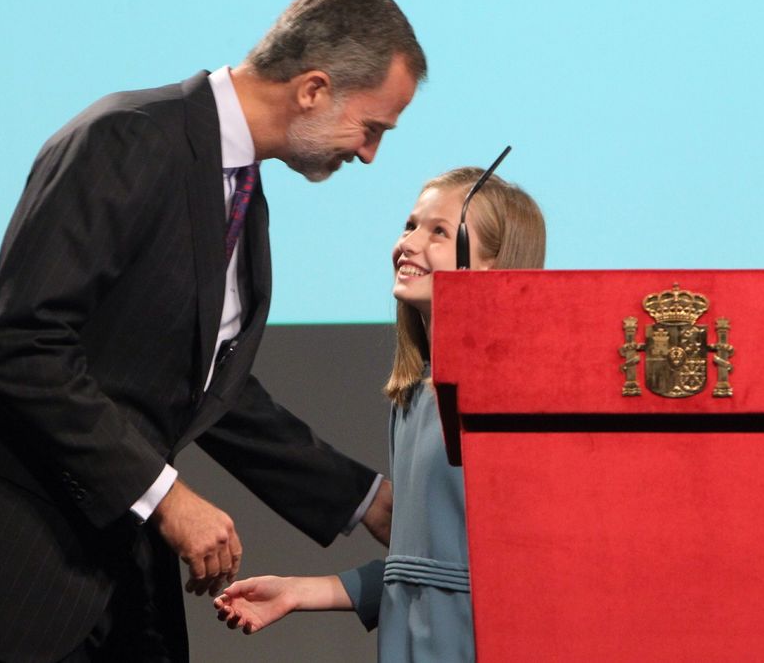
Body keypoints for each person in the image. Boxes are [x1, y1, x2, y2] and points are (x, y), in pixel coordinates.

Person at [0, 0, 427, 663]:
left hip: (111, 549)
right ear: (314, 88)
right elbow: (22, 345)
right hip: (13, 555)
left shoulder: (241, 189)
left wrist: (364, 499)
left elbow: (207, 386)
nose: (370, 152)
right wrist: (167, 495)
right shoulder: (129, 139)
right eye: (372, 127)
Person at [213, 167, 546, 662]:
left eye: (438, 231)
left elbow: (507, 572)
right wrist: (299, 591)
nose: (409, 243)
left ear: (494, 267)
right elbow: (418, 567)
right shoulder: (413, 398)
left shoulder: (512, 398)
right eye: (410, 225)